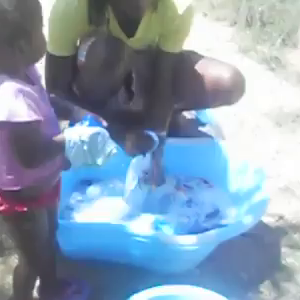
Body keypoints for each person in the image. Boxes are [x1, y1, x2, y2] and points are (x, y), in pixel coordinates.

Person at [46, 0, 245, 185]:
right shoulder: (73, 7)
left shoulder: (174, 7)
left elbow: (164, 80)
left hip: (149, 70)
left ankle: (157, 118)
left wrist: (156, 146)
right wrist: (113, 131)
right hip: (98, 81)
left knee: (229, 83)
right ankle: (111, 122)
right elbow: (55, 92)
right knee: (107, 52)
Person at [0, 0, 87, 299]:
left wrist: (73, 111)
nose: (45, 36)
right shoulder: (9, 98)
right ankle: (23, 295)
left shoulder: (25, 70)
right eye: (41, 29)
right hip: (23, 199)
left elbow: (46, 100)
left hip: (43, 186)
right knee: (31, 258)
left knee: (47, 241)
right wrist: (72, 142)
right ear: (22, 45)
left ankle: (50, 287)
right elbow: (31, 155)